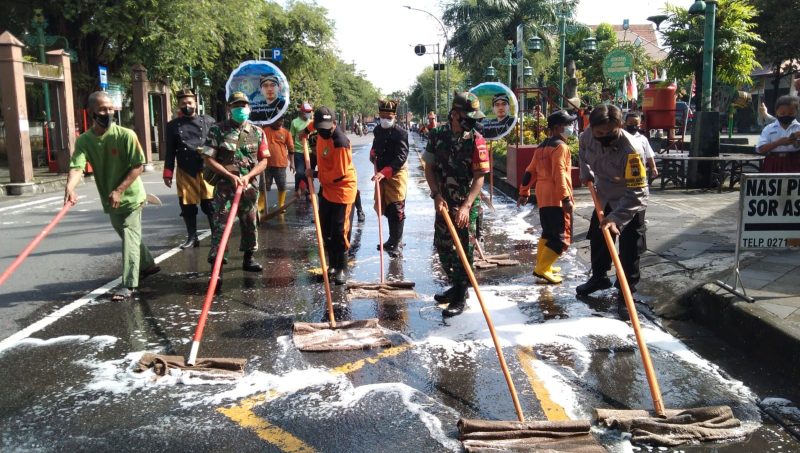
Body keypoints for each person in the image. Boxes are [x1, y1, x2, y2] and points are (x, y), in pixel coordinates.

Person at [64, 91, 160, 301]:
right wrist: (70, 188)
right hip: (111, 200)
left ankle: (128, 284)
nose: (107, 113)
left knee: (128, 235)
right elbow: (77, 166)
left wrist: (119, 190)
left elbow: (137, 167)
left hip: (131, 196)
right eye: (102, 109)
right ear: (91, 113)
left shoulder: (126, 135)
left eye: (110, 108)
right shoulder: (85, 140)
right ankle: (149, 265)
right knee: (128, 236)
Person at [577, 104, 648, 320]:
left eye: (610, 132)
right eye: (599, 133)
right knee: (598, 239)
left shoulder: (632, 149)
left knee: (629, 249)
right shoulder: (587, 136)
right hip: (605, 195)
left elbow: (638, 191)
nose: (603, 137)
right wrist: (586, 173)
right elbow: (582, 153)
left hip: (629, 201)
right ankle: (599, 277)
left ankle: (626, 293)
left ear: (619, 125)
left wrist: (616, 218)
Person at [424, 92, 489, 317]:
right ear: (455, 114)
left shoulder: (476, 139)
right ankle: (456, 284)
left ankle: (461, 293)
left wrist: (466, 206)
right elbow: (429, 168)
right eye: (467, 116)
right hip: (443, 202)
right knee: (442, 246)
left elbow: (480, 175)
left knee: (464, 249)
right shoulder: (437, 135)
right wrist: (436, 195)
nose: (472, 121)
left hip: (466, 203)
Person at [201, 91, 269, 286]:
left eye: (244, 105)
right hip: (225, 188)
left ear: (249, 108)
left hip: (248, 188)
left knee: (250, 223)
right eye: (237, 105)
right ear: (230, 108)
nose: (241, 109)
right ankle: (217, 268)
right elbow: (208, 158)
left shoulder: (257, 132)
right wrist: (230, 176)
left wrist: (248, 176)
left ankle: (249, 258)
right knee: (221, 227)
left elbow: (264, 160)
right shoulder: (217, 130)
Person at [300, 107, 358, 285]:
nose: (323, 131)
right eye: (319, 128)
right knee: (325, 229)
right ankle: (332, 264)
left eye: (327, 127)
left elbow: (338, 174)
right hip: (326, 190)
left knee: (340, 232)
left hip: (342, 191)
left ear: (334, 123)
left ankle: (342, 268)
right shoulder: (317, 128)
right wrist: (304, 132)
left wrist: (314, 174)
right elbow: (309, 128)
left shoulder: (340, 142)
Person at [517, 110, 575, 284]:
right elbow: (559, 173)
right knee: (561, 237)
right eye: (568, 125)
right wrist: (565, 198)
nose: (571, 128)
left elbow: (529, 171)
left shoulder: (542, 146)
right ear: (557, 127)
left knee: (548, 233)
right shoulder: (560, 147)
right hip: (556, 194)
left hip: (543, 194)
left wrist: (524, 191)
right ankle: (542, 268)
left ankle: (543, 265)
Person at [163, 88, 216, 248]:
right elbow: (170, 150)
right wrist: (168, 172)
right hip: (185, 170)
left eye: (190, 102)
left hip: (207, 169)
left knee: (210, 205)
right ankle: (192, 237)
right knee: (187, 206)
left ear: (196, 103)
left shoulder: (209, 121)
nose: (187, 105)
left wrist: (206, 152)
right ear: (179, 105)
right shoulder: (172, 126)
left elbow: (215, 144)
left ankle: (216, 236)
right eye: (184, 103)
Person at [371, 99, 410, 257]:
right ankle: (391, 239)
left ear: (394, 116)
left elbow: (401, 157)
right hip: (380, 174)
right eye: (382, 116)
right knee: (386, 207)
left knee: (397, 209)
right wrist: (373, 153)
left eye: (389, 117)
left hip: (396, 173)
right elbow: (376, 146)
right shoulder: (378, 131)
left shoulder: (401, 133)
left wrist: (385, 172)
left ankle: (398, 243)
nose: (385, 119)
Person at [757, 95, 800, 172]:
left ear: (796, 112)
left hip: (794, 162)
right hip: (773, 162)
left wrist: (796, 143)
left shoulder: (798, 128)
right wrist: (778, 143)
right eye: (782, 114)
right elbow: (761, 149)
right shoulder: (769, 129)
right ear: (776, 112)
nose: (786, 116)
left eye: (791, 114)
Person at [261, 114, 294, 212]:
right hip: (266, 164)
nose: (281, 122)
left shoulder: (286, 132)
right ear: (273, 120)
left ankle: (281, 204)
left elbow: (291, 149)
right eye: (278, 120)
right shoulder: (264, 131)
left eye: (282, 121)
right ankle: (261, 205)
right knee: (263, 186)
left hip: (281, 164)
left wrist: (292, 163)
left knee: (282, 185)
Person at [624, 112, 659, 178]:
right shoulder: (620, 138)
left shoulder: (643, 139)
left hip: (639, 174)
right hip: (623, 174)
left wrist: (654, 167)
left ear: (640, 125)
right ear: (625, 124)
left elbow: (649, 155)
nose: (633, 126)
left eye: (636, 124)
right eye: (630, 123)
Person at [290, 102, 314, 197]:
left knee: (309, 172)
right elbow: (292, 137)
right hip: (298, 152)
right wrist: (291, 152)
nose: (309, 113)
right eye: (307, 112)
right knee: (300, 172)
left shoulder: (311, 123)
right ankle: (298, 188)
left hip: (310, 152)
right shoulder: (294, 122)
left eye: (310, 112)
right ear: (302, 112)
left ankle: (308, 191)